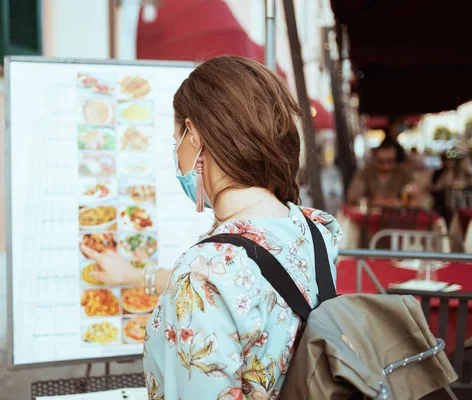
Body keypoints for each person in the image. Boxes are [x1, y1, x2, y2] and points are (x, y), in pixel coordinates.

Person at [80, 55, 343, 398]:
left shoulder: (204, 271)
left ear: (195, 136)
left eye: (176, 139)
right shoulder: (312, 228)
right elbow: (243, 292)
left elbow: (214, 286)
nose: (176, 153)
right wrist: (137, 276)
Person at [346, 141, 416, 208]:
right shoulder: (366, 172)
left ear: (396, 160)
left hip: (397, 216)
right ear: (375, 159)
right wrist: (371, 202)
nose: (386, 166)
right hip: (370, 216)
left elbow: (417, 195)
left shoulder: (403, 172)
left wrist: (401, 203)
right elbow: (352, 198)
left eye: (390, 161)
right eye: (381, 161)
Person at [431, 149, 472, 221]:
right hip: (450, 207)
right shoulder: (445, 173)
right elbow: (437, 188)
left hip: (468, 206)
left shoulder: (470, 177)